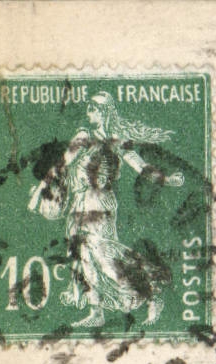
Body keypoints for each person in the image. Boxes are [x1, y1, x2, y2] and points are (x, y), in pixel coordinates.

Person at [28, 92, 183, 328]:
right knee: (83, 258)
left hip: (100, 203)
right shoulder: (83, 136)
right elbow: (61, 164)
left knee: (104, 255)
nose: (88, 112)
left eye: (92, 108)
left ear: (104, 112)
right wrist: (41, 189)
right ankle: (96, 311)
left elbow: (140, 166)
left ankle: (151, 291)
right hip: (79, 204)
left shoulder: (116, 140)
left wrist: (167, 179)